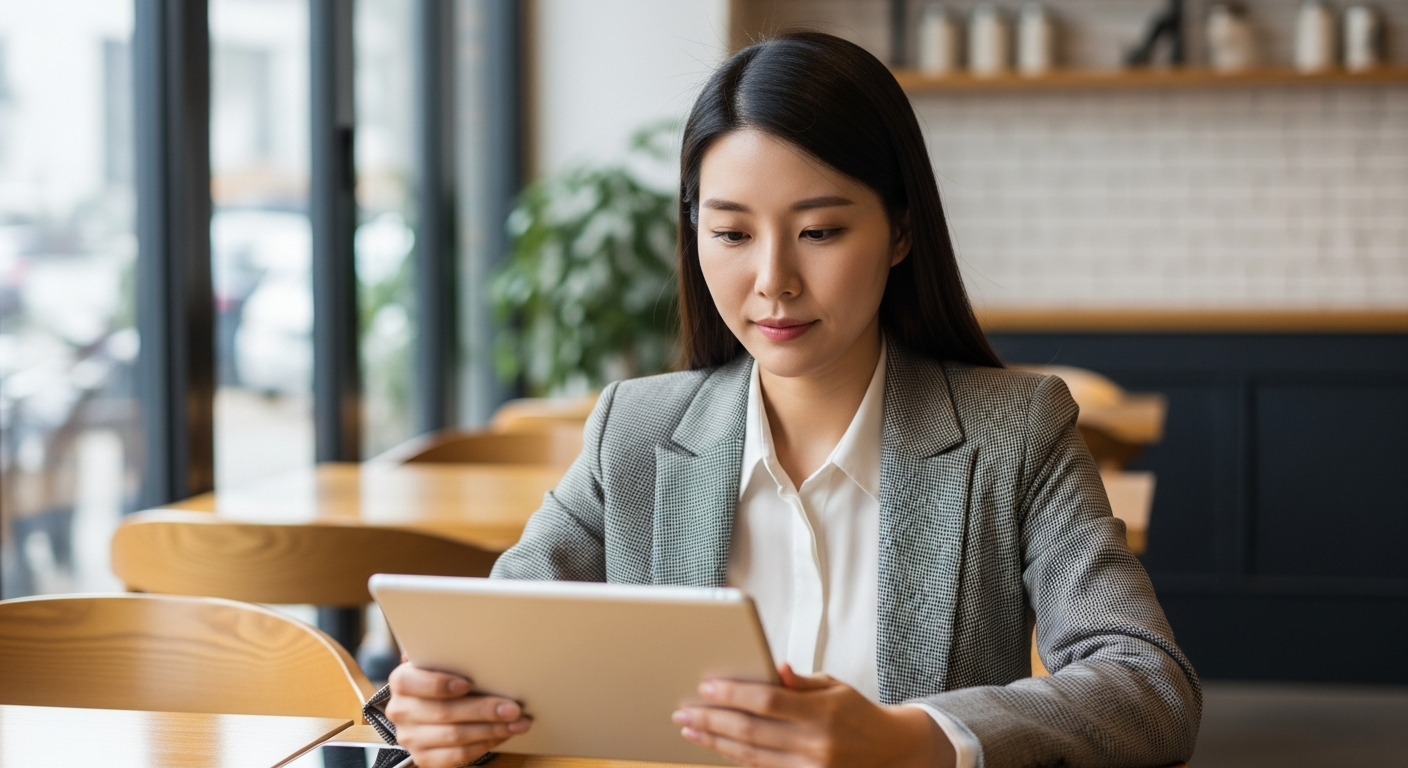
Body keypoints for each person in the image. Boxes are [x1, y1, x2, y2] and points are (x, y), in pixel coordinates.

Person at [367, 31, 1201, 768]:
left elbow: (1148, 686)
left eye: (820, 231)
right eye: (731, 233)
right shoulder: (636, 430)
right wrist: (438, 713)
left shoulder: (1014, 430)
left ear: (901, 231)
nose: (772, 282)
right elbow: (493, 640)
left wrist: (911, 740)